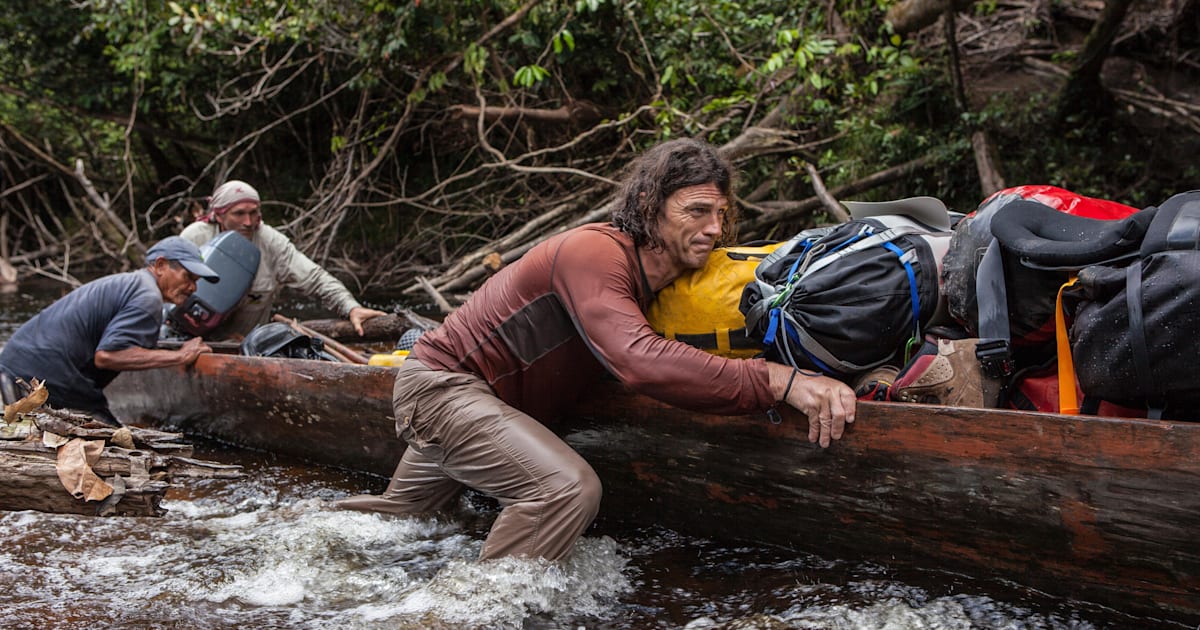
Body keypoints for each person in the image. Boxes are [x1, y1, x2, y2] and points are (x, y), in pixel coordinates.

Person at [336, 138, 857, 561]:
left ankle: (296, 524)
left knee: (400, 521)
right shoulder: (593, 251)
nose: (715, 229)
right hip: (444, 391)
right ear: (651, 209)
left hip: (493, 409)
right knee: (565, 490)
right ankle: (479, 611)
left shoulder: (666, 281)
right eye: (698, 211)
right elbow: (638, 360)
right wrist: (778, 382)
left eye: (721, 213)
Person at [0, 237, 219, 426]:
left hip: (16, 365)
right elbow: (107, 356)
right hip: (40, 377)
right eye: (187, 277)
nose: (193, 288)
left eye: (196, 281)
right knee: (115, 441)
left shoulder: (133, 284)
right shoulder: (147, 297)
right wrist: (180, 356)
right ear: (161, 265)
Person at [179, 180, 387, 340]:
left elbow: (314, 277)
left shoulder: (270, 242)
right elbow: (164, 286)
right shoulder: (194, 238)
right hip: (188, 338)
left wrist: (350, 307)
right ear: (219, 215)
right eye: (239, 214)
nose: (248, 222)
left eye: (253, 213)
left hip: (244, 346)